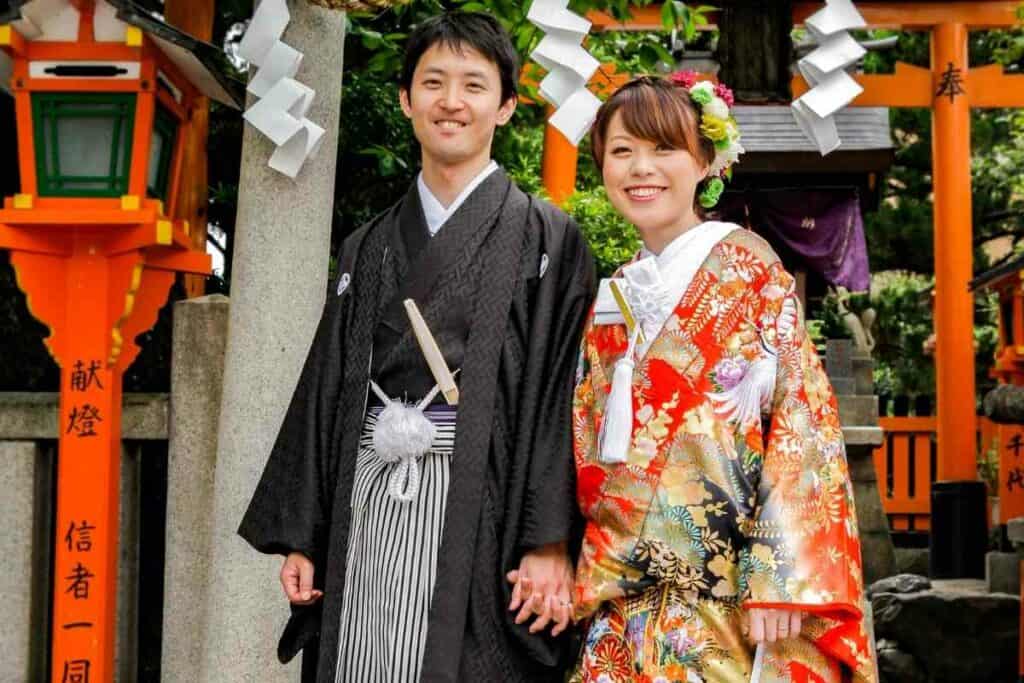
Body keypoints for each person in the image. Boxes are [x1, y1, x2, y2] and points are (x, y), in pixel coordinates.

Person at [239, 11, 595, 683]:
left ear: (507, 107)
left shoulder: (549, 241)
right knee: (365, 657)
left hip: (483, 508)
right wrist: (306, 534)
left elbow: (560, 397)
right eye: (432, 83)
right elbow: (326, 390)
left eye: (473, 84)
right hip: (368, 503)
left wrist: (547, 540)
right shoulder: (367, 245)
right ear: (407, 100)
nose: (451, 102)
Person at [569, 74, 877, 682]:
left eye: (664, 149)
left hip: (730, 599)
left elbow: (803, 422)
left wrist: (782, 577)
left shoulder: (749, 270)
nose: (641, 169)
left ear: (705, 159)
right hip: (621, 595)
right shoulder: (616, 292)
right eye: (622, 151)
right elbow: (585, 433)